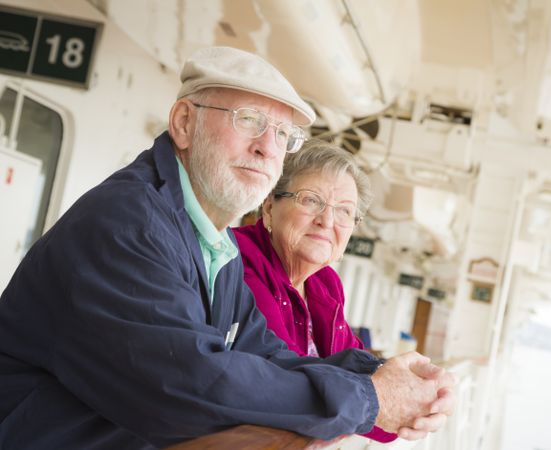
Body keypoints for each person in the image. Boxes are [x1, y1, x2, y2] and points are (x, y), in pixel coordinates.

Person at [0, 47, 454, 450]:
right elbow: (187, 388)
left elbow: (266, 354)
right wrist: (372, 398)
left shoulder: (213, 245)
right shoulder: (128, 223)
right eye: (249, 121)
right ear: (184, 123)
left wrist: (383, 376)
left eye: (282, 135)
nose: (266, 149)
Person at [233, 139, 396, 443]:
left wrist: (411, 392)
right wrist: (381, 401)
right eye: (310, 200)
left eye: (345, 212)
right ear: (269, 206)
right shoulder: (240, 261)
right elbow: (287, 386)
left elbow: (376, 410)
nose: (327, 221)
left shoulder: (326, 284)